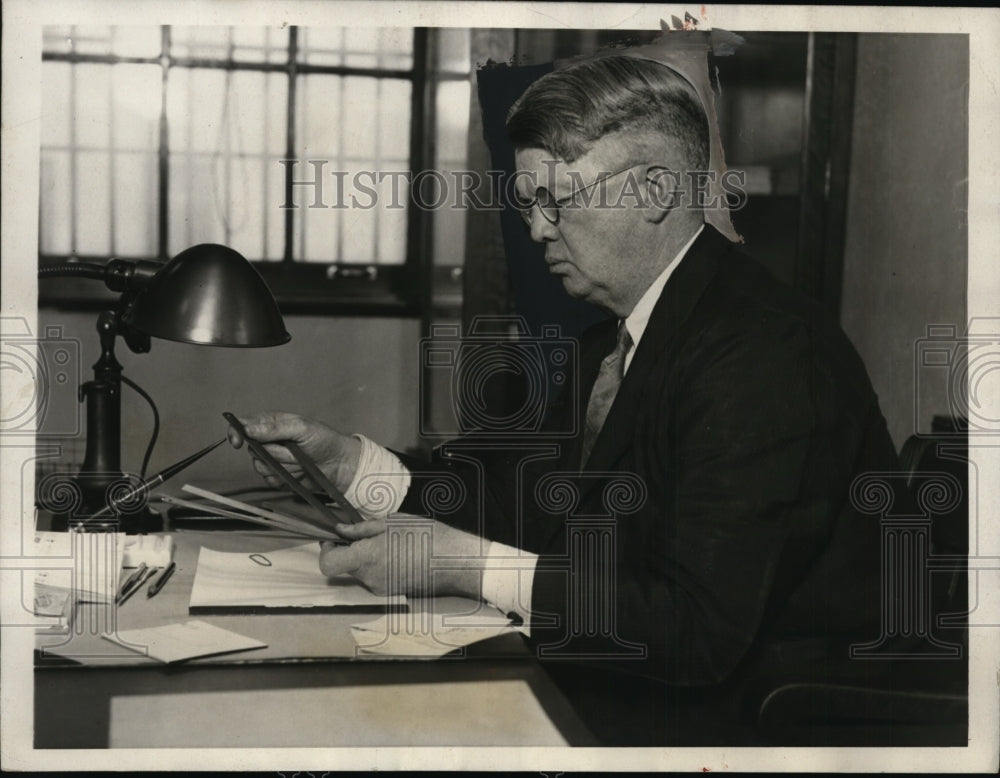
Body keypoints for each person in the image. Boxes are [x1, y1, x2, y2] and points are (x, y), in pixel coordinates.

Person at [227, 55, 901, 744]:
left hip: (735, 727)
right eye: (529, 204)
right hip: (630, 686)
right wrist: (347, 465)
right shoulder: (611, 342)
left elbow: (695, 630)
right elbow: (510, 507)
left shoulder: (764, 352)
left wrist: (462, 565)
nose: (538, 229)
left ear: (655, 191)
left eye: (558, 200)